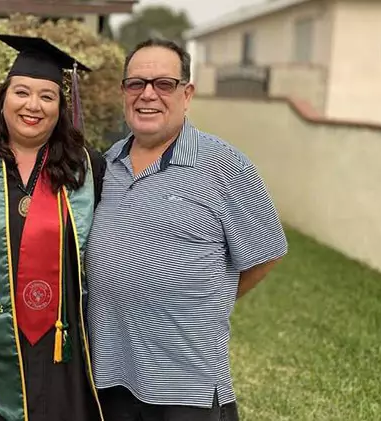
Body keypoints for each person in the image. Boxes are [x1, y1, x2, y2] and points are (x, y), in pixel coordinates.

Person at [85, 38, 289, 421]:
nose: (148, 95)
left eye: (164, 84)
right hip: (110, 378)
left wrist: (209, 300)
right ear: (123, 92)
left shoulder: (224, 165)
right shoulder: (105, 165)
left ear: (187, 93)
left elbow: (268, 253)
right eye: (136, 83)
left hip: (186, 386)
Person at [0, 33, 106, 421]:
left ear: (60, 107)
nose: (33, 105)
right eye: (22, 92)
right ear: (3, 99)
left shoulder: (87, 169)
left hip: (61, 346)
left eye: (47, 96)